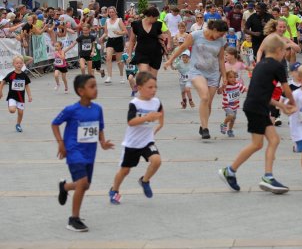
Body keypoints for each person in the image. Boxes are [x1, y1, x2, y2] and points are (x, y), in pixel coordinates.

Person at [218, 36, 297, 194]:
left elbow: (262, 94)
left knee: (273, 140)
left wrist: (281, 105)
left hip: (255, 105)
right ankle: (232, 171)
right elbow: (287, 89)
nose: (286, 54)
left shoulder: (261, 65)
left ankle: (264, 176)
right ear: (279, 50)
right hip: (257, 108)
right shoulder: (277, 66)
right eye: (285, 51)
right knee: (257, 144)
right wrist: (294, 103)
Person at [52, 75, 114, 232]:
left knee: (85, 185)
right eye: (91, 86)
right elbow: (55, 124)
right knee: (82, 182)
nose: (96, 89)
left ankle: (65, 187)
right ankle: (73, 219)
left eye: (96, 86)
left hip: (90, 153)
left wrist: (103, 142)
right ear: (81, 91)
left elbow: (99, 128)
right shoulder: (71, 110)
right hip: (74, 151)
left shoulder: (98, 109)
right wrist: (61, 143)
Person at [163, 19, 228, 139]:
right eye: (220, 34)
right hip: (197, 71)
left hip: (213, 73)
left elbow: (220, 59)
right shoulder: (196, 35)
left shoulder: (220, 40)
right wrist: (170, 60)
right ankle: (205, 129)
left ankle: (203, 125)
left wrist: (224, 77)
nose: (221, 36)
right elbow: (182, 48)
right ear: (214, 29)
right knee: (204, 97)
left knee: (208, 103)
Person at [108, 72, 164, 205]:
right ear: (139, 88)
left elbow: (160, 113)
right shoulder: (135, 103)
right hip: (132, 143)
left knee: (156, 160)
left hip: (147, 141)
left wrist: (159, 125)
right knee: (125, 170)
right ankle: (114, 190)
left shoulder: (156, 102)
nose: (153, 90)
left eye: (155, 87)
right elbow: (130, 122)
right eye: (150, 87)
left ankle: (145, 180)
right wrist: (147, 118)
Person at [127, 7, 170, 78]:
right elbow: (132, 41)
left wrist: (164, 39)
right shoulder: (136, 24)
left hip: (155, 54)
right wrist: (129, 55)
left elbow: (164, 35)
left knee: (152, 79)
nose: (156, 20)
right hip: (141, 53)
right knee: (144, 76)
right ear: (151, 16)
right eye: (156, 18)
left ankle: (138, 83)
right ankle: (136, 81)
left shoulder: (158, 24)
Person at [1, 56, 32, 132]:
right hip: (12, 96)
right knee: (12, 110)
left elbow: (27, 86)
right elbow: (3, 82)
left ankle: (18, 124)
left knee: (20, 112)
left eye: (20, 63)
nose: (19, 64)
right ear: (13, 64)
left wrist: (29, 95)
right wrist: (0, 91)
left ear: (23, 64)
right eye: (17, 63)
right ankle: (11, 104)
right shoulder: (11, 74)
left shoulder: (24, 75)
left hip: (21, 97)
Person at [100, 6, 127, 84]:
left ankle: (121, 76)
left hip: (118, 40)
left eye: (112, 12)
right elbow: (106, 32)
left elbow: (125, 31)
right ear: (108, 13)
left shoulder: (119, 20)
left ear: (115, 12)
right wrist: (102, 37)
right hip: (110, 40)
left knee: (119, 61)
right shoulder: (107, 21)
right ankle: (109, 76)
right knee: (108, 58)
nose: (111, 13)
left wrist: (119, 33)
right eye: (110, 12)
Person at [220, 70, 248, 137]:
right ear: (226, 78)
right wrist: (222, 87)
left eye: (234, 77)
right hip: (227, 105)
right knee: (231, 115)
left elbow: (245, 89)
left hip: (235, 106)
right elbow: (219, 91)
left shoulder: (238, 85)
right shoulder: (225, 86)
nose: (233, 79)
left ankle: (230, 130)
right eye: (230, 77)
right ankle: (224, 124)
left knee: (233, 119)